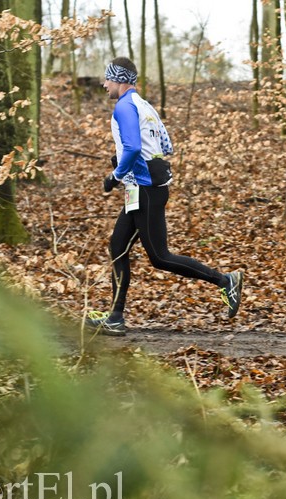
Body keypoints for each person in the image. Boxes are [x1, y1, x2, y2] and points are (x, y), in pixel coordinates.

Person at [86, 57, 243, 336]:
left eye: (108, 79)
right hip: (146, 186)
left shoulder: (123, 107)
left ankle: (224, 280)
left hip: (145, 188)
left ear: (120, 80)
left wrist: (116, 174)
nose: (104, 84)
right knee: (118, 246)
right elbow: (165, 144)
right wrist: (123, 158)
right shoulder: (144, 105)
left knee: (159, 256)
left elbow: (134, 147)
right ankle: (115, 317)